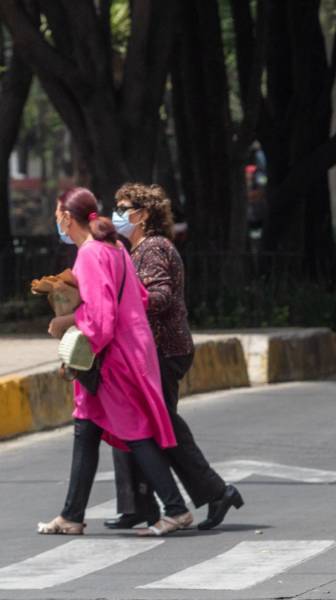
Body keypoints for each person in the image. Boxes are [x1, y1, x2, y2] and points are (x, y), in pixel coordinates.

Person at [39, 187, 192, 537]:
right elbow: (135, 296)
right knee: (85, 428)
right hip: (126, 351)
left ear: (66, 217)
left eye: (56, 214)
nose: (56, 221)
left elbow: (101, 320)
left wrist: (66, 325)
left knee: (135, 432)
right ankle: (71, 515)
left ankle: (175, 509)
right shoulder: (115, 248)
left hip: (111, 360)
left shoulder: (90, 255)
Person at [105, 183, 243, 531]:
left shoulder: (153, 248)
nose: (117, 215)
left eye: (124, 208)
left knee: (162, 427)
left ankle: (216, 491)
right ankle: (137, 505)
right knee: (130, 423)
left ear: (144, 214)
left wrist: (125, 301)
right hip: (144, 352)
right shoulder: (134, 250)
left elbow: (161, 295)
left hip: (164, 350)